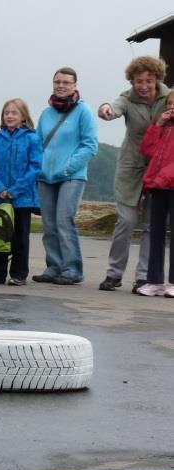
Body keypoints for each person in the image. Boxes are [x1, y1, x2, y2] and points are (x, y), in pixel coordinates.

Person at [97, 56, 171, 294]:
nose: (144, 86)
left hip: (160, 168)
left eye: (149, 80)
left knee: (151, 225)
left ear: (157, 79)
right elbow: (113, 109)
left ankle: (143, 277)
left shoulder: (168, 96)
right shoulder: (127, 98)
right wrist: (106, 110)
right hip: (131, 165)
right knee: (126, 221)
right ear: (132, 81)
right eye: (138, 81)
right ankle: (114, 273)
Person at [31, 67, 98, 285]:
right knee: (49, 224)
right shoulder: (46, 113)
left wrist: (69, 167)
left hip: (72, 176)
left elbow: (90, 145)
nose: (61, 85)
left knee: (63, 221)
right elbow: (38, 143)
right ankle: (54, 266)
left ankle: (72, 269)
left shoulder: (84, 111)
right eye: (57, 82)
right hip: (45, 177)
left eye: (66, 82)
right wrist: (38, 168)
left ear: (75, 85)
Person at [0, 98, 43, 286]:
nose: (9, 116)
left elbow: (35, 167)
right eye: (6, 112)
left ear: (23, 116)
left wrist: (14, 190)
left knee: (20, 237)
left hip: (22, 199)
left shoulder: (32, 138)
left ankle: (19, 274)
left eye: (14, 112)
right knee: (0, 233)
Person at [136, 91, 174, 297]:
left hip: (168, 185)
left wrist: (161, 178)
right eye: (169, 103)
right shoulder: (164, 128)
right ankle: (155, 280)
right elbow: (147, 150)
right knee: (155, 234)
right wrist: (157, 124)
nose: (171, 107)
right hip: (158, 188)